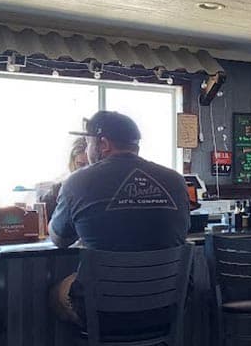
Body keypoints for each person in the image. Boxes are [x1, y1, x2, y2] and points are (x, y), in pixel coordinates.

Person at [49, 111, 190, 325]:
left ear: (103, 144)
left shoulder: (77, 182)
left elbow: (59, 240)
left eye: (88, 143)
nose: (87, 151)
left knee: (56, 293)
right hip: (167, 307)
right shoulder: (176, 180)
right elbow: (181, 232)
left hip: (105, 313)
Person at [39, 137, 88, 217]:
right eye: (81, 165)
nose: (86, 169)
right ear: (73, 164)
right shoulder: (57, 191)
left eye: (90, 164)